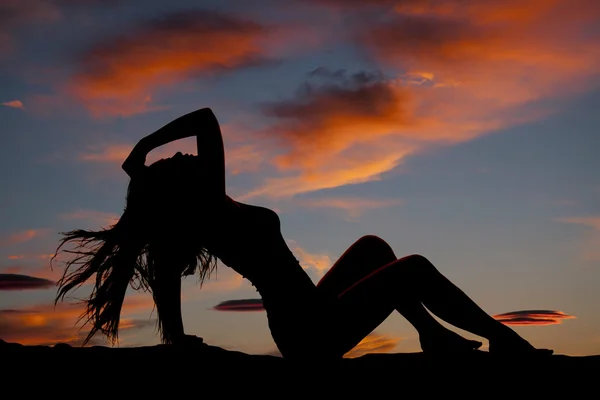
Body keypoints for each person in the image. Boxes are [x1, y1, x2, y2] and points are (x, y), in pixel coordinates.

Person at [53, 108, 552, 361]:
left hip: (312, 314)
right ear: (181, 190)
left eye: (175, 154)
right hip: (307, 335)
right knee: (413, 268)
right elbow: (206, 119)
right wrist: (143, 147)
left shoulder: (211, 206)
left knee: (374, 248)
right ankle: (504, 340)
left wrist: (142, 163)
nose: (180, 155)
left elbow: (167, 285)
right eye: (173, 162)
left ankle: (432, 336)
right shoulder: (206, 206)